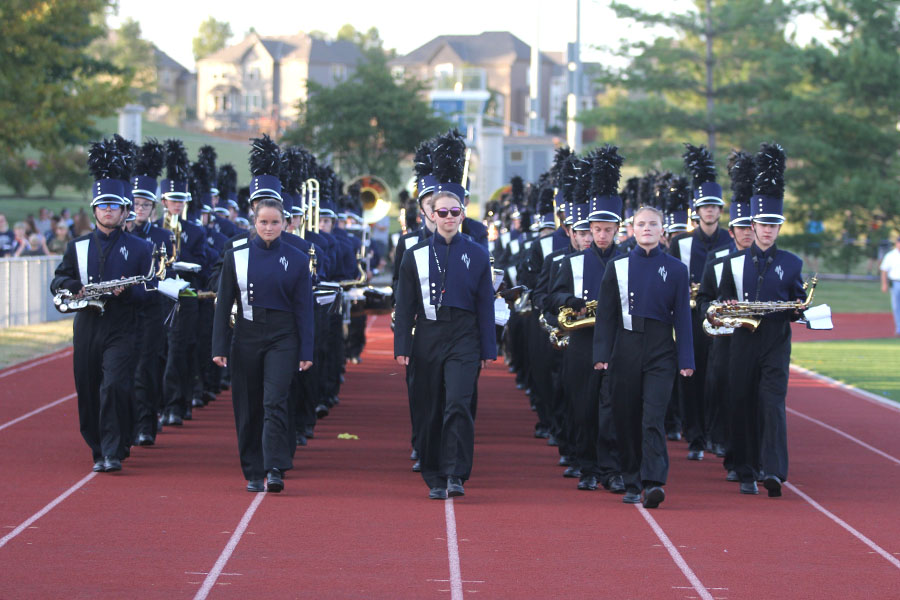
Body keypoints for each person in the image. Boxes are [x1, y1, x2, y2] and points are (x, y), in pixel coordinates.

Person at [49, 138, 155, 473]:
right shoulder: (77, 246)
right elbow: (59, 279)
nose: (108, 211)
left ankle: (112, 450)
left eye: (114, 206)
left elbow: (149, 291)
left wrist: (128, 292)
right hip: (87, 325)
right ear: (94, 210)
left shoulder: (140, 247)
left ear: (125, 211)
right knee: (88, 388)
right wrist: (74, 288)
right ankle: (98, 446)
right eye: (102, 206)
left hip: (122, 326)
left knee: (114, 385)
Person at [394, 159, 496, 500]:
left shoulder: (479, 254)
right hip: (427, 335)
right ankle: (433, 472)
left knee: (458, 403)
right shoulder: (415, 254)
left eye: (455, 211)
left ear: (463, 214)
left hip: (465, 335)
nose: (449, 217)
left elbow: (485, 304)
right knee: (429, 406)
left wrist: (488, 348)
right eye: (442, 212)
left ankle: (456, 473)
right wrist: (402, 347)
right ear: (430, 216)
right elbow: (405, 304)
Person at [712, 143, 804, 498]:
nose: (767, 231)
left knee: (771, 404)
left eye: (774, 225)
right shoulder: (732, 264)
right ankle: (744, 467)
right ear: (751, 225)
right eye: (763, 224)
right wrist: (727, 307)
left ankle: (773, 471)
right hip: (741, 343)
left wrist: (799, 308)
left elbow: (798, 299)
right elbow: (718, 302)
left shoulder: (792, 262)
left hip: (776, 343)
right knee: (742, 401)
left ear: (779, 228)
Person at [593, 205, 694, 508]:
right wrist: (602, 353)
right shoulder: (617, 265)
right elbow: (606, 315)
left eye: (653, 224)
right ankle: (631, 478)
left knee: (653, 417)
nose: (647, 228)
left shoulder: (676, 268)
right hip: (625, 346)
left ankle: (653, 482)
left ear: (663, 230)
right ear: (632, 230)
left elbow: (683, 319)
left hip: (661, 348)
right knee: (626, 416)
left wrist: (686, 359)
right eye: (641, 224)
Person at [212, 197, 314, 493]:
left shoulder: (297, 258)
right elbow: (224, 305)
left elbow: (304, 308)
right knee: (247, 404)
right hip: (246, 335)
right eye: (263, 222)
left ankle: (275, 466)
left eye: (275, 222)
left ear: (286, 223)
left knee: (275, 401)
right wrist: (219, 346)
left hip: (283, 337)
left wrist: (306, 350)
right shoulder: (236, 255)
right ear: (253, 223)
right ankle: (253, 470)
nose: (269, 227)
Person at [669, 145, 734, 461]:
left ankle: (715, 435)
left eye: (714, 207)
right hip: (689, 320)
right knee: (690, 376)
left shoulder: (729, 242)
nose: (709, 212)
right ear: (696, 211)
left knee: (718, 378)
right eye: (704, 207)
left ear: (720, 211)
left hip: (720, 321)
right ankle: (694, 437)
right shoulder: (680, 242)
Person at [880, 236, 900, 336]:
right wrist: (884, 284)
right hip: (895, 282)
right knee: (896, 306)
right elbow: (884, 270)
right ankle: (899, 329)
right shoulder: (891, 255)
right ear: (896, 243)